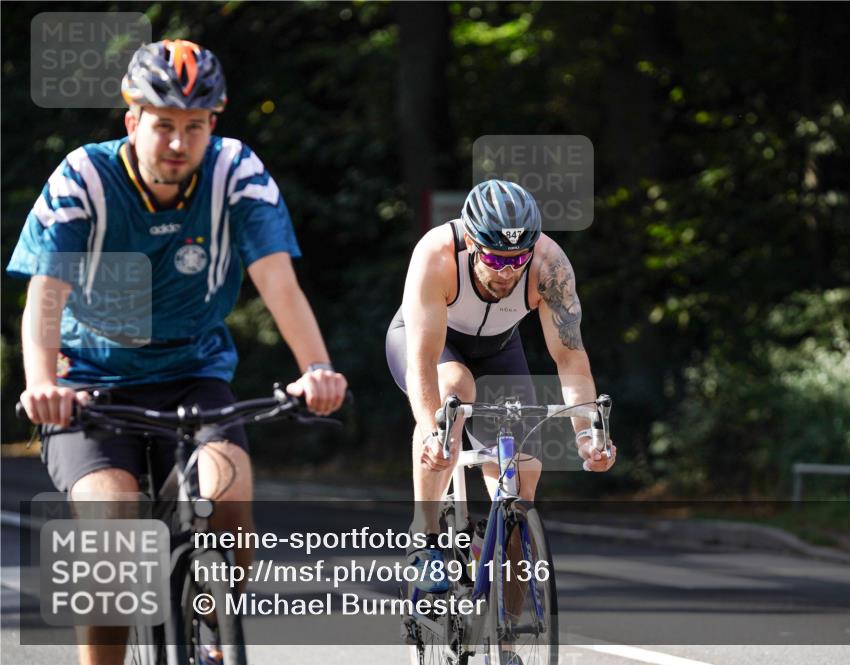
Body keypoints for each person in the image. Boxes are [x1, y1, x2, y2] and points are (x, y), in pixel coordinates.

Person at [9, 40, 347, 665]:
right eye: (163, 125)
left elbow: (278, 282)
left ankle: (212, 632)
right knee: (113, 525)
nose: (177, 143)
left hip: (194, 374)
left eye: (194, 127)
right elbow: (45, 296)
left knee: (230, 494)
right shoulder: (83, 179)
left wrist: (317, 368)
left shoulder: (235, 173)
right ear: (133, 120)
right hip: (90, 384)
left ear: (212, 125)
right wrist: (41, 383)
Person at [385, 179, 616, 591]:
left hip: (498, 349)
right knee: (455, 386)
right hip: (428, 343)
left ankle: (506, 645)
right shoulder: (437, 254)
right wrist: (432, 431)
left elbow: (570, 357)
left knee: (521, 487)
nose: (508, 271)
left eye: (518, 258)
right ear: (472, 242)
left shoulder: (549, 266)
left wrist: (586, 436)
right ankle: (424, 536)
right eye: (495, 258)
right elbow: (422, 361)